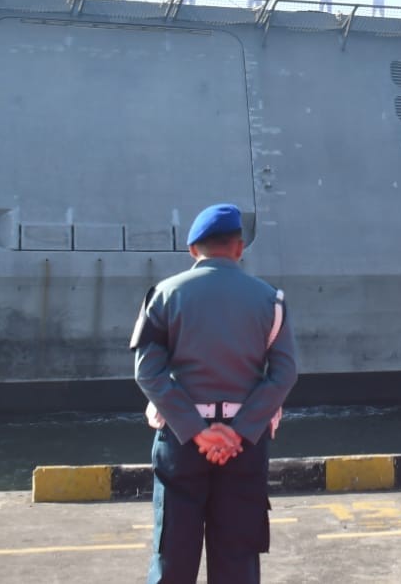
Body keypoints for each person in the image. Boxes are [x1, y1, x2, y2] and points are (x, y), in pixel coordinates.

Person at [131, 203, 298, 584]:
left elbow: (148, 372)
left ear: (193, 250)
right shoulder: (271, 300)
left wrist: (197, 430)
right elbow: (284, 373)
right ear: (239, 248)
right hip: (245, 445)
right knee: (238, 558)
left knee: (173, 554)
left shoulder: (163, 295)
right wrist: (238, 431)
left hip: (180, 440)